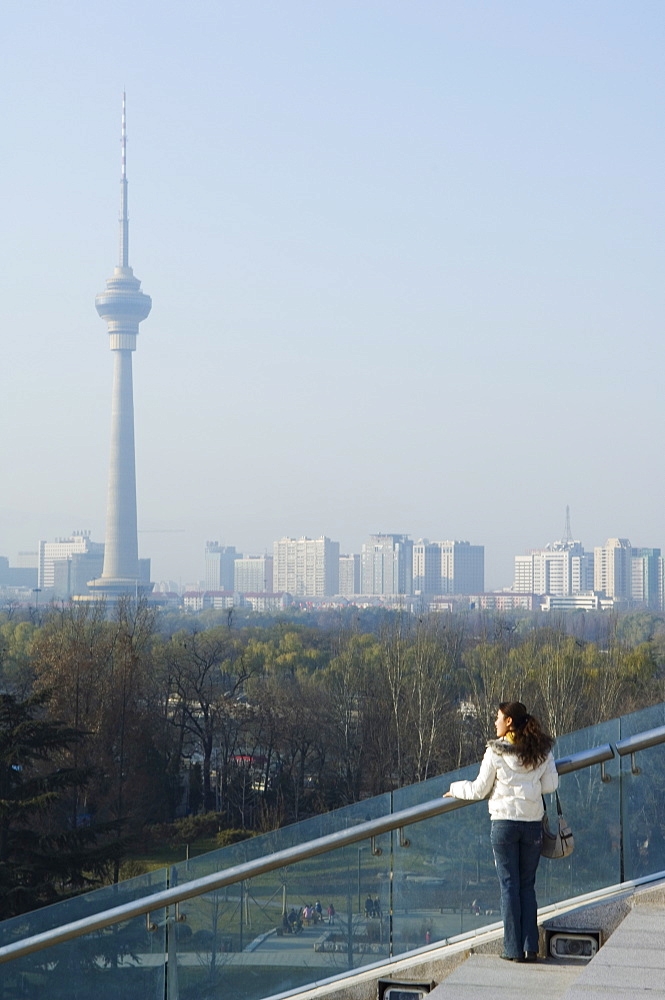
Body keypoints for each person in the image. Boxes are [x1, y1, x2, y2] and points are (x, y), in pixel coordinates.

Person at [444, 701, 558, 963]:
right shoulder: (540, 750)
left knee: (509, 887)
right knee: (527, 886)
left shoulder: (495, 752)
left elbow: (478, 790)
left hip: (504, 825)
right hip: (531, 824)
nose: (494, 722)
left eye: (498, 718)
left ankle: (512, 949)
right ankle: (531, 947)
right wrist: (529, 786)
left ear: (508, 722)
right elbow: (551, 784)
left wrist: (454, 788)